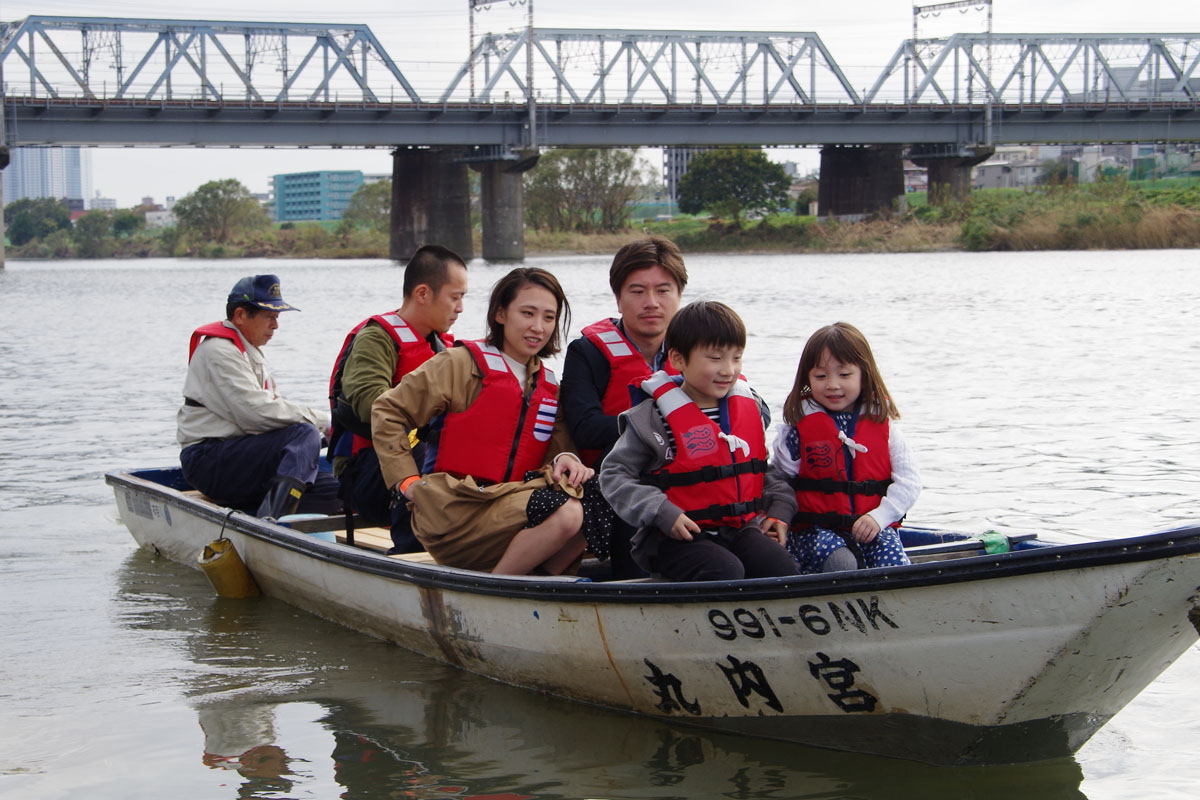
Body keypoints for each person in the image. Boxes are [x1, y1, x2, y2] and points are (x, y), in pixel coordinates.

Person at [370, 267, 612, 575]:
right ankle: (500, 589)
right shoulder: (458, 364)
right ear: (500, 314)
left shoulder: (549, 387)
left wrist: (566, 458)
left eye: (548, 318)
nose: (538, 327)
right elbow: (387, 411)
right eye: (527, 313)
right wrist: (406, 482)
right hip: (456, 510)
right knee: (566, 514)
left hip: (513, 508)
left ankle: (539, 582)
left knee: (602, 497)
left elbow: (556, 454)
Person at [599, 301, 799, 582]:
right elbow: (614, 476)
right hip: (673, 536)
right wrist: (661, 512)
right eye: (716, 358)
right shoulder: (651, 418)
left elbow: (759, 470)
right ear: (679, 359)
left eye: (736, 358)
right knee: (725, 570)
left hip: (739, 530)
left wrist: (779, 510)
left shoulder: (749, 408)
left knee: (779, 567)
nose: (729, 370)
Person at [560, 235, 687, 578]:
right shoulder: (586, 353)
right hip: (619, 483)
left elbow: (748, 407)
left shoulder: (700, 350)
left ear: (679, 297)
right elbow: (585, 427)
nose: (651, 303)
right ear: (618, 299)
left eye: (663, 291)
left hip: (689, 478)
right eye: (637, 291)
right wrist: (657, 425)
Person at [328, 245, 468, 553]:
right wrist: (431, 417)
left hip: (418, 464)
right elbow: (371, 405)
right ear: (422, 294)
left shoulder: (444, 346)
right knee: (421, 446)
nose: (460, 308)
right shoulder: (376, 339)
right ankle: (412, 553)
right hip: (366, 474)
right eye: (455, 297)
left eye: (462, 299)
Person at [178, 274, 339, 519]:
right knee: (304, 433)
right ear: (241, 315)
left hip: (242, 456)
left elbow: (272, 414)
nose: (275, 326)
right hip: (208, 459)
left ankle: (274, 511)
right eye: (269, 317)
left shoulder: (248, 350)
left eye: (277, 318)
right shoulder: (219, 352)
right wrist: (324, 422)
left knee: (342, 490)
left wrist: (326, 434)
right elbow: (257, 414)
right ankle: (271, 524)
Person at [771, 321, 920, 574]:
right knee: (842, 563)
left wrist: (879, 517)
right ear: (807, 378)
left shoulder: (885, 427)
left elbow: (909, 483)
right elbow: (778, 482)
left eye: (844, 375)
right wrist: (777, 518)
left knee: (893, 565)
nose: (832, 385)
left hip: (873, 525)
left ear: (864, 374)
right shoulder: (796, 432)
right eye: (821, 376)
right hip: (814, 532)